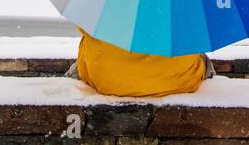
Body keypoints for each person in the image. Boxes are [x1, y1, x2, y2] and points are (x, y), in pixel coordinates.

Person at [69, 28, 212, 98]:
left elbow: (84, 26)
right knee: (201, 58)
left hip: (106, 78)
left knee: (83, 63)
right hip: (177, 81)